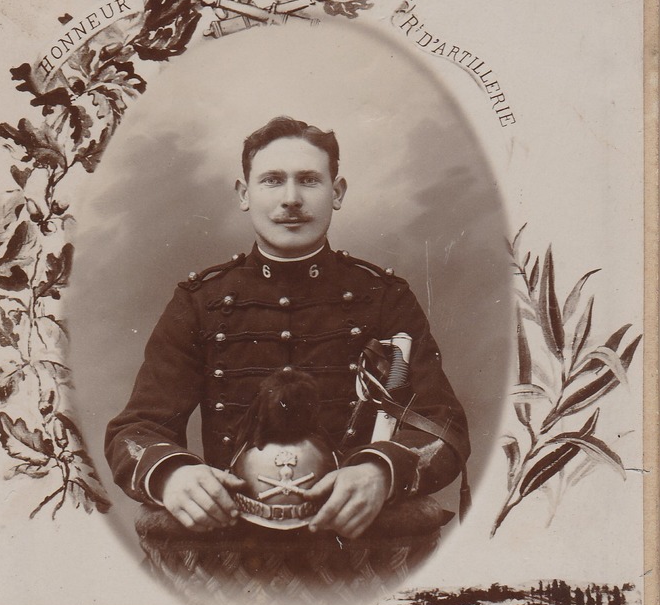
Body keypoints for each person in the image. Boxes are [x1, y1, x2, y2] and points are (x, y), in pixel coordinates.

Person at [105, 116, 469, 575]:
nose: (291, 199)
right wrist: (172, 474)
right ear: (244, 194)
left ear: (337, 193)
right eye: (273, 180)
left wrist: (380, 470)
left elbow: (444, 425)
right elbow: (135, 430)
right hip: (231, 552)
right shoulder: (200, 302)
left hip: (364, 551)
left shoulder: (385, 298)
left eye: (309, 181)